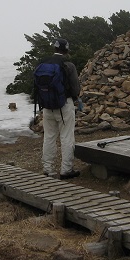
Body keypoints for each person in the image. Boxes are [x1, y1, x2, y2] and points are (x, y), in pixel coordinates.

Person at [38, 38, 82, 179]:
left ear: (55, 49)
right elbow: (75, 89)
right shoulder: (68, 65)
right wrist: (76, 98)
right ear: (67, 50)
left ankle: (48, 169)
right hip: (64, 105)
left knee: (49, 137)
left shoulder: (43, 63)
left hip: (46, 106)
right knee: (67, 137)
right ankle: (66, 170)